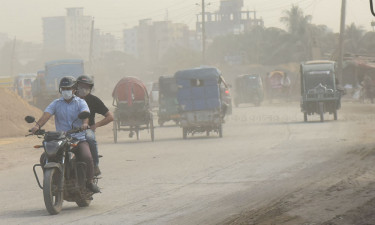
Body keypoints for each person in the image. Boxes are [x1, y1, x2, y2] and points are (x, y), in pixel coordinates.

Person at [30, 76, 100, 193]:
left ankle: (90, 182)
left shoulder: (80, 102)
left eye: (68, 88)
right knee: (44, 157)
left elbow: (85, 114)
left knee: (87, 156)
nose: (66, 91)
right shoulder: (56, 103)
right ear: (60, 90)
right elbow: (46, 115)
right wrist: (37, 126)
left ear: (74, 89)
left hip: (78, 138)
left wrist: (84, 124)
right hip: (61, 138)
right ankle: (51, 182)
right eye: (63, 88)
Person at [76, 75, 114, 176]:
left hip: (86, 129)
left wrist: (96, 125)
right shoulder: (70, 99)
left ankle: (95, 165)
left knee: (90, 138)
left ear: (90, 88)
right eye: (81, 86)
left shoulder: (93, 100)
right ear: (76, 86)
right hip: (70, 130)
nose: (83, 89)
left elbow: (110, 117)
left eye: (86, 87)